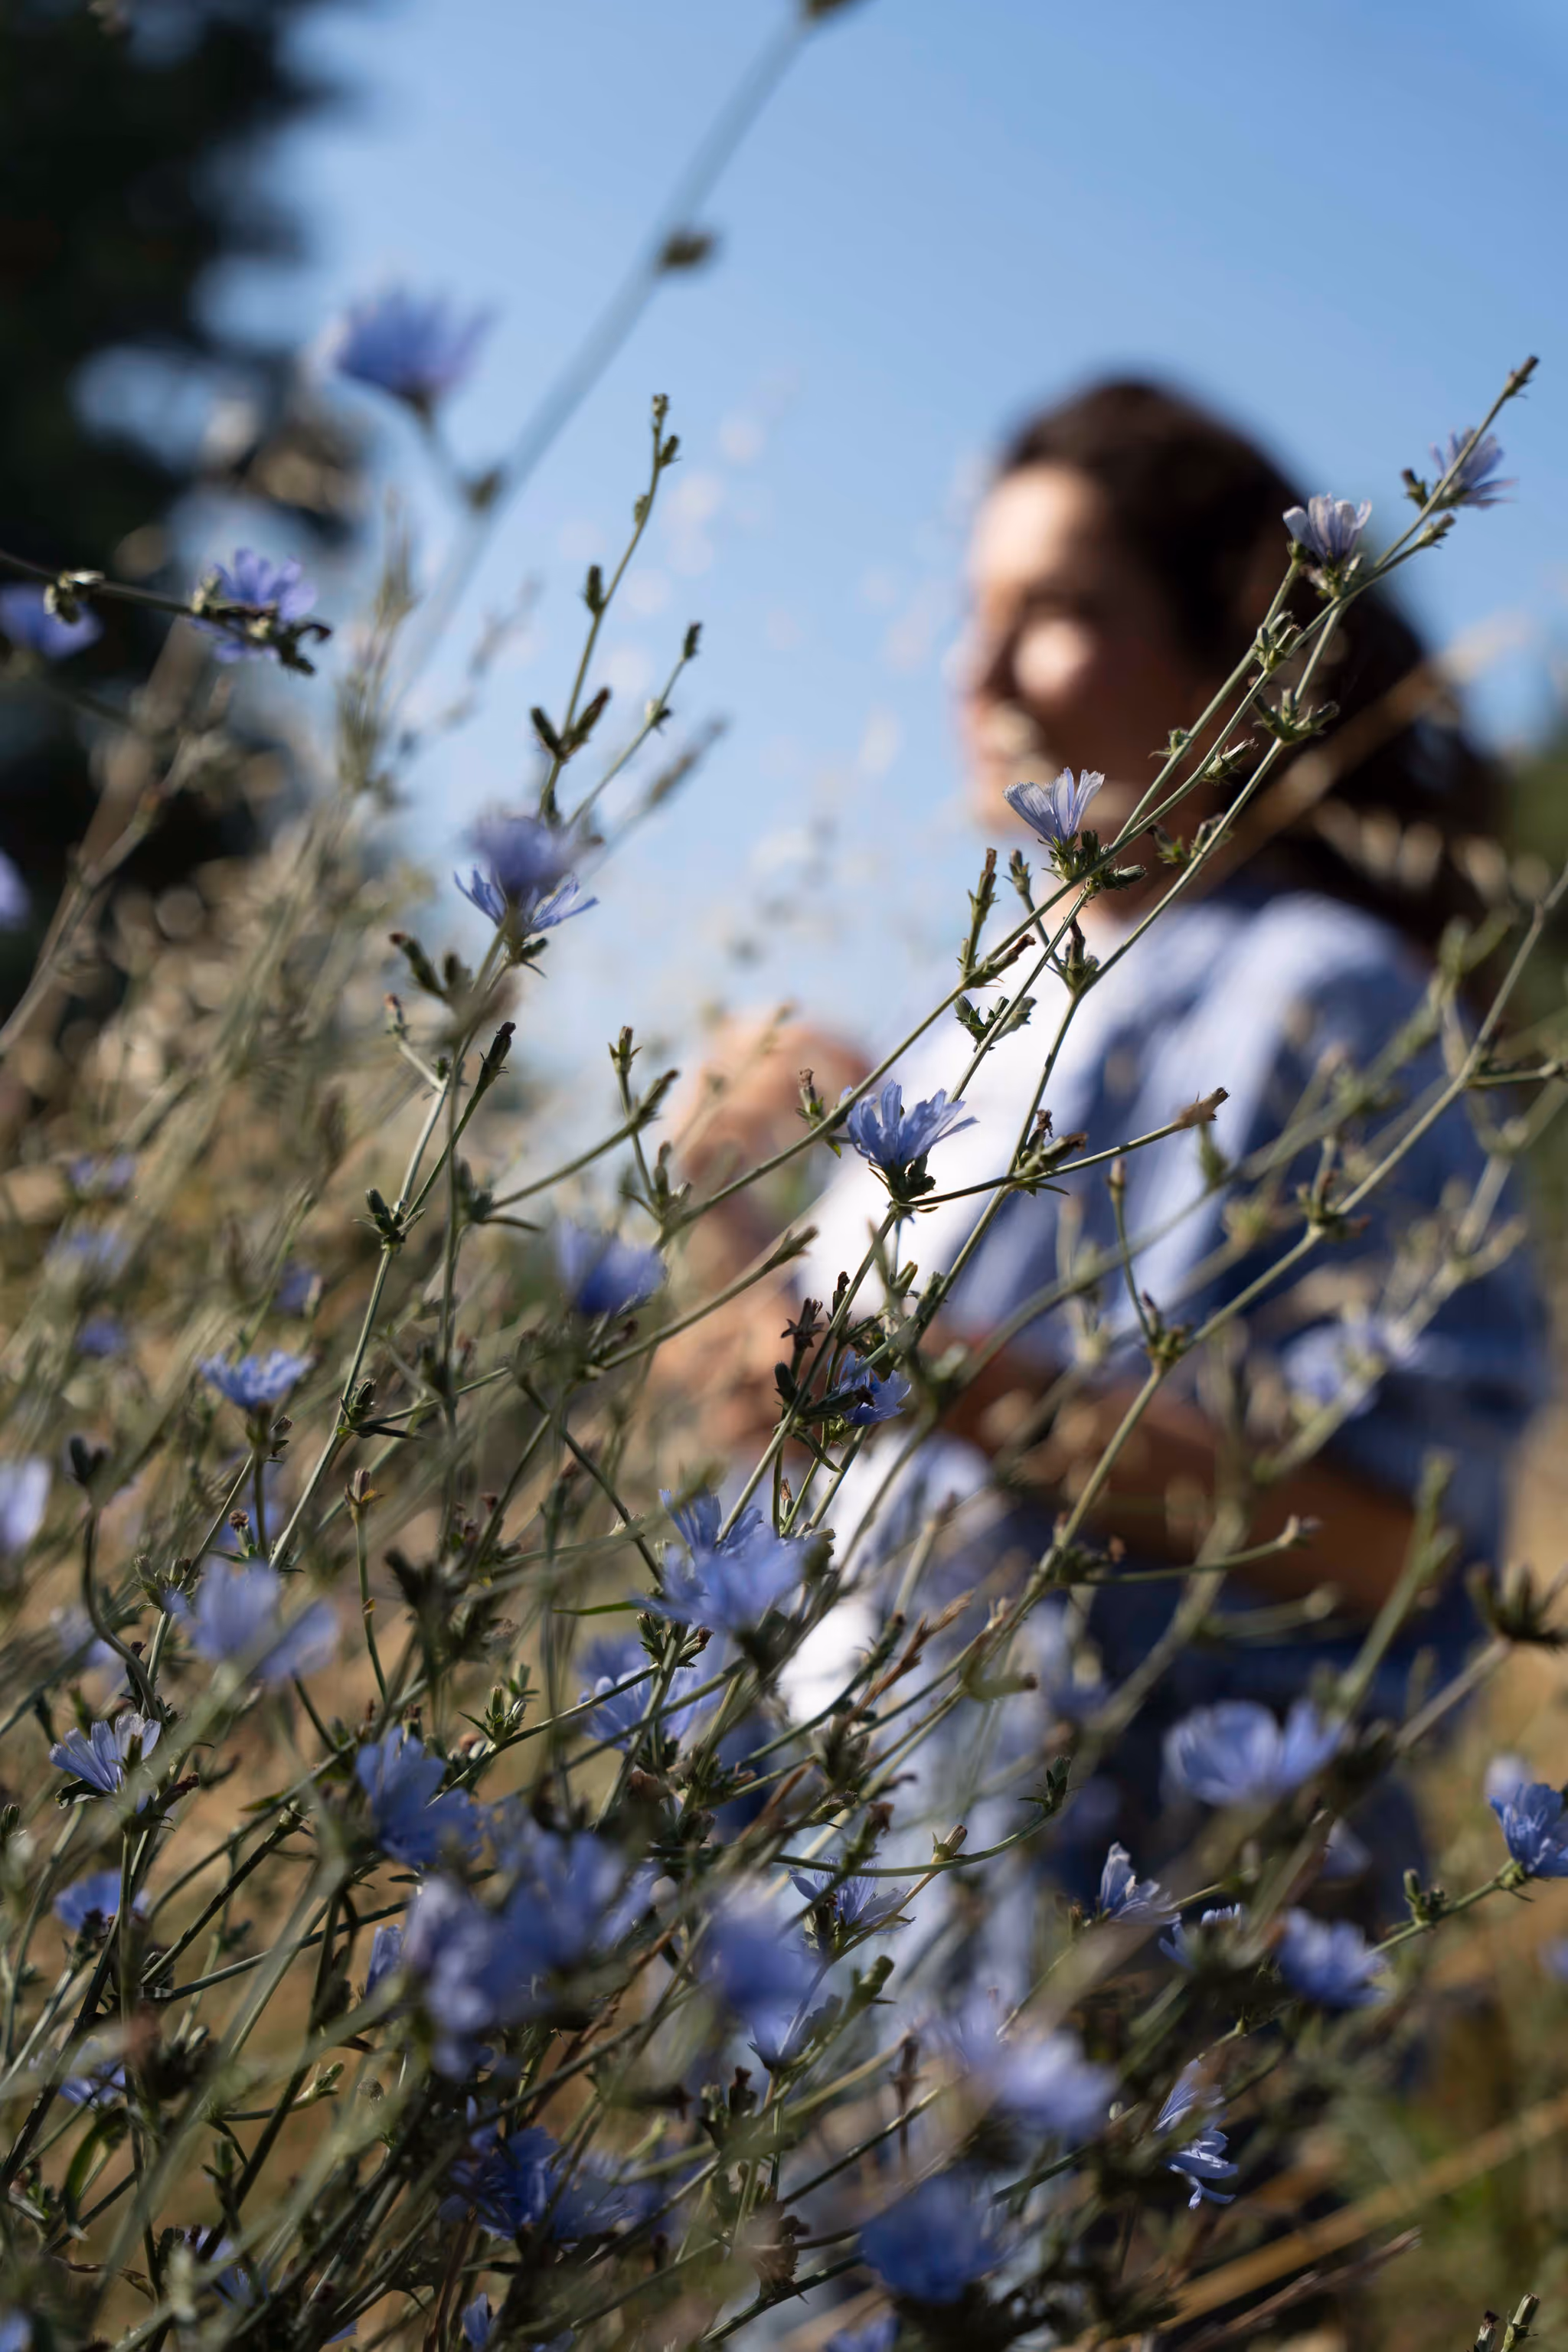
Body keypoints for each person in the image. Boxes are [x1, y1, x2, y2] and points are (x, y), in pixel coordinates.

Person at [668, 378, 1550, 1925]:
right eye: (972, 611)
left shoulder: (1324, 999)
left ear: (1236, 650)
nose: (981, 670)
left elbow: (1409, 1551)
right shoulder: (979, 1009)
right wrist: (738, 1205)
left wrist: (945, 1379)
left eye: (1056, 609)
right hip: (863, 1894)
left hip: (1148, 1939)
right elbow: (802, 1440)